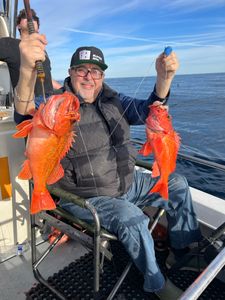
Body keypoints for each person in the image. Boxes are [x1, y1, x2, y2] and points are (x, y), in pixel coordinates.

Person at [14, 33, 202, 300]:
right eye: (82, 70)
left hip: (127, 182)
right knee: (133, 218)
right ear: (70, 73)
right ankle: (157, 284)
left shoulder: (115, 99)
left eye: (96, 71)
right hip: (88, 197)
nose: (89, 77)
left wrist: (164, 78)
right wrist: (25, 68)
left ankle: (185, 250)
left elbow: (150, 112)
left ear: (102, 76)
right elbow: (24, 112)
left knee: (178, 183)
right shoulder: (57, 103)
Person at [0, 8, 61, 97]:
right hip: (27, 103)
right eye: (25, 16)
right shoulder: (8, 43)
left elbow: (47, 77)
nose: (30, 18)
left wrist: (63, 90)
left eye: (35, 18)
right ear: (18, 26)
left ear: (38, 28)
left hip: (50, 100)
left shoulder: (42, 51)